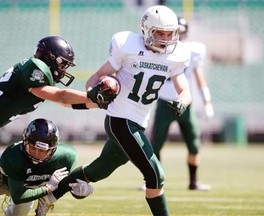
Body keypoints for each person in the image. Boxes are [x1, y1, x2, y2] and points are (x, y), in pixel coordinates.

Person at [36, 5, 192, 216]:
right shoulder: (127, 45)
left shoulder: (177, 55)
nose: (165, 38)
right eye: (160, 33)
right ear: (147, 30)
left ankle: (50, 196)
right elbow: (96, 77)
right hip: (120, 119)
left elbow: (185, 90)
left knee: (99, 170)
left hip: (138, 122)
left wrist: (182, 102)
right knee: (156, 175)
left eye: (169, 33)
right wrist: (93, 93)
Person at [147, 16, 215, 191]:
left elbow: (199, 78)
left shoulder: (192, 51)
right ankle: (154, 180)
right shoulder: (157, 49)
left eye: (182, 32)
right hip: (164, 102)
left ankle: (193, 181)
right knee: (155, 145)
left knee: (194, 144)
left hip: (185, 104)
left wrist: (207, 101)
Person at [0, 35, 105, 128]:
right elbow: (61, 97)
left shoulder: (35, 75)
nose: (64, 70)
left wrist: (98, 104)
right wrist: (93, 96)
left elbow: (66, 103)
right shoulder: (35, 69)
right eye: (63, 64)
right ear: (50, 58)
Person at [0, 118, 94, 216]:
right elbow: (19, 196)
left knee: (18, 213)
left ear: (52, 150)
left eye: (42, 150)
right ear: (25, 142)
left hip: (29, 188)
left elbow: (67, 184)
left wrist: (82, 188)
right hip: (7, 182)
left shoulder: (66, 157)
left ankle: (44, 203)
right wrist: (48, 188)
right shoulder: (13, 156)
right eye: (32, 148)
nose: (36, 154)